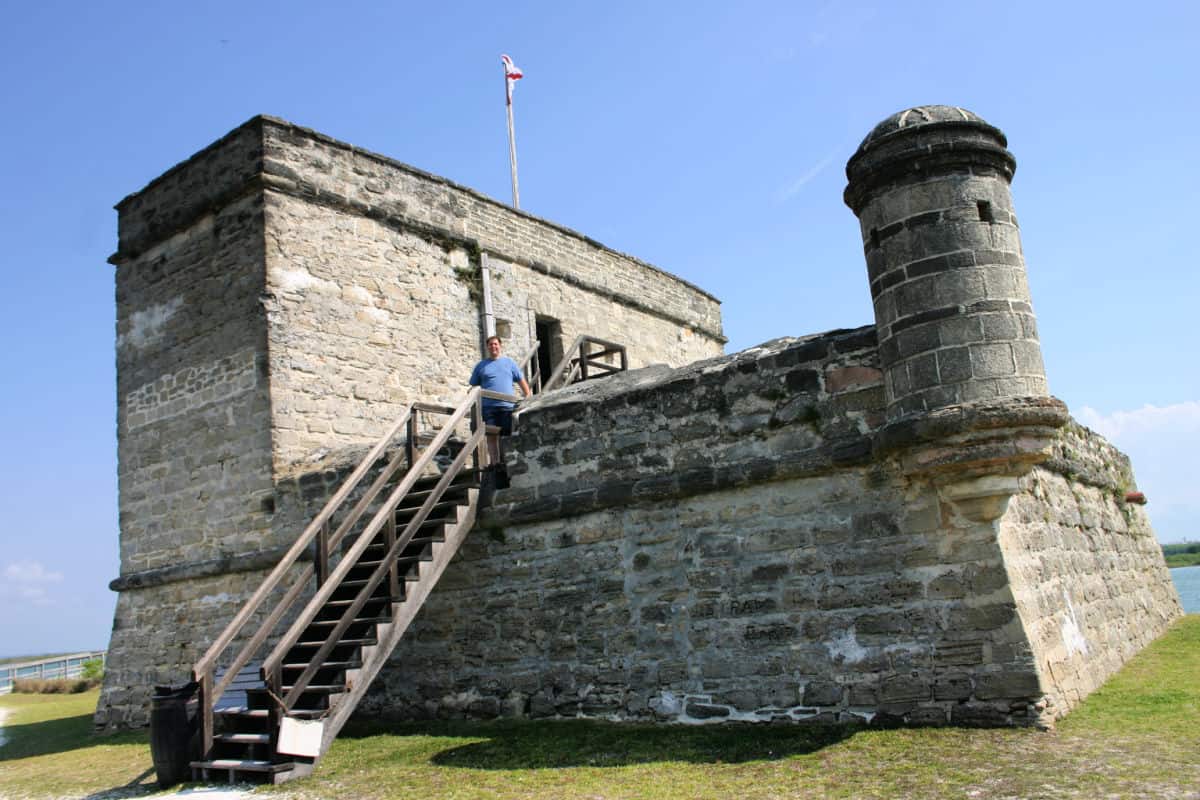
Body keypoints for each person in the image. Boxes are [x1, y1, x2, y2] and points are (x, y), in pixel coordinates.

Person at [469, 335, 532, 436]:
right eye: (490, 344)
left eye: (495, 344)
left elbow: (521, 381)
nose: (493, 346)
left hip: (506, 407)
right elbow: (473, 386)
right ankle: (493, 453)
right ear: (487, 347)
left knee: (506, 436)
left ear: (500, 346)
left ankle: (504, 453)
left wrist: (528, 397)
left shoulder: (509, 363)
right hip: (488, 408)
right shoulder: (481, 365)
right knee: (491, 437)